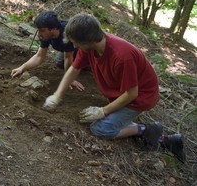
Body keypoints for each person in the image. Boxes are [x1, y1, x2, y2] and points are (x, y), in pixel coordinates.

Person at [42, 13, 185, 162]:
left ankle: (145, 129)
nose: (75, 46)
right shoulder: (90, 47)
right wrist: (57, 95)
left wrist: (103, 111)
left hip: (140, 97)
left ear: (88, 40)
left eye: (76, 43)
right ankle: (166, 139)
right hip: (122, 92)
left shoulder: (122, 56)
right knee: (104, 120)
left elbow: (131, 94)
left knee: (99, 128)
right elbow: (74, 69)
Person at [11, 10, 84, 91]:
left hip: (83, 48)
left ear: (53, 29)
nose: (39, 34)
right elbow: (39, 56)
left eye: (42, 30)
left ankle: (87, 64)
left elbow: (68, 57)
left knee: (78, 61)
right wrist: (22, 67)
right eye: (38, 30)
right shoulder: (45, 35)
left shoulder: (66, 34)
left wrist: (69, 79)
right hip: (67, 50)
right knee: (60, 62)